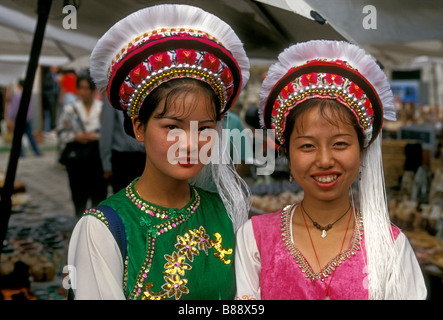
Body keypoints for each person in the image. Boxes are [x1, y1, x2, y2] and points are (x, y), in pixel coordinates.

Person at [68, 4, 250, 300]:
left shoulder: (228, 212)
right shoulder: (103, 229)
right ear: (139, 128)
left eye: (204, 128)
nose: (189, 144)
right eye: (172, 127)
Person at [235, 40, 427, 300]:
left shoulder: (390, 247)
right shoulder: (255, 239)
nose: (325, 160)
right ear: (287, 155)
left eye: (339, 144)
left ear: (362, 151)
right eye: (307, 146)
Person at [57, 75, 107, 218]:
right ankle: (79, 225)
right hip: (77, 159)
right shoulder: (70, 109)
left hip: (96, 157)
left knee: (98, 195)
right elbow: (60, 132)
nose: (83, 92)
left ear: (92, 90)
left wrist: (96, 137)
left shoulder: (101, 108)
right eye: (81, 88)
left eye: (86, 88)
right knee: (78, 195)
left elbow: (108, 131)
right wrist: (75, 136)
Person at [99, 97, 145, 193]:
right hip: (122, 159)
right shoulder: (114, 94)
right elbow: (106, 131)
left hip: (145, 157)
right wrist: (106, 164)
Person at [7, 79, 42, 157]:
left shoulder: (17, 95)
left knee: (18, 136)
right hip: (27, 118)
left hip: (19, 118)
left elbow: (14, 108)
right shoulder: (29, 94)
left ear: (19, 86)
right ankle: (37, 151)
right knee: (30, 135)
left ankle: (21, 153)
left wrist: (11, 118)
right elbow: (31, 108)